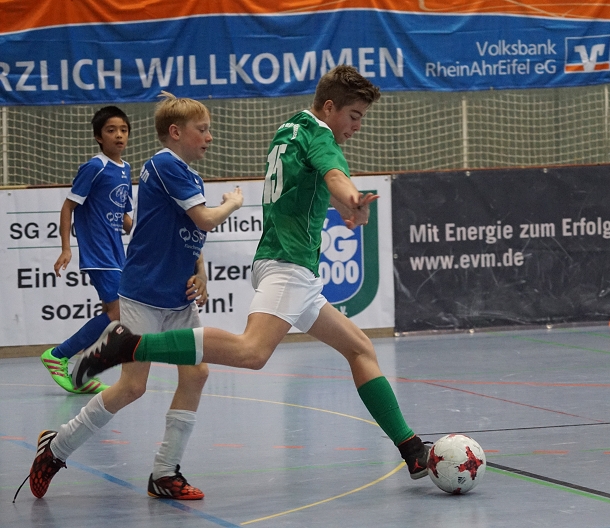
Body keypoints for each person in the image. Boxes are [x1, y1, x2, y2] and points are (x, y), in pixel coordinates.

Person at [73, 66, 431, 483]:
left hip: (289, 264)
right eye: (354, 115)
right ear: (329, 107)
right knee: (252, 352)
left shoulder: (290, 130)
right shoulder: (321, 136)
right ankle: (130, 345)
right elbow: (335, 175)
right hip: (288, 264)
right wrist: (351, 195)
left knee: (360, 348)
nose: (357, 126)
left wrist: (346, 206)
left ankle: (411, 449)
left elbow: (309, 188)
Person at [21, 92, 244, 502]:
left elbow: (191, 233)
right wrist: (232, 203)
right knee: (132, 387)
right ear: (175, 132)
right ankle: (55, 448)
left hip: (178, 299)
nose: (210, 137)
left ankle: (165, 472)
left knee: (196, 374)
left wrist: (201, 272)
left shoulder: (190, 176)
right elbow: (205, 218)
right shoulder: (164, 164)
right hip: (144, 294)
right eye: (202, 129)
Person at [40, 106, 133, 394]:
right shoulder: (95, 167)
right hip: (99, 252)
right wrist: (66, 248)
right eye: (111, 130)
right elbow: (68, 206)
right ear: (98, 137)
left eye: (123, 130)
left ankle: (80, 374)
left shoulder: (126, 169)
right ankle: (58, 355)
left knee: (115, 313)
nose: (118, 135)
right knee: (118, 313)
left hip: (117, 253)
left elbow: (125, 218)